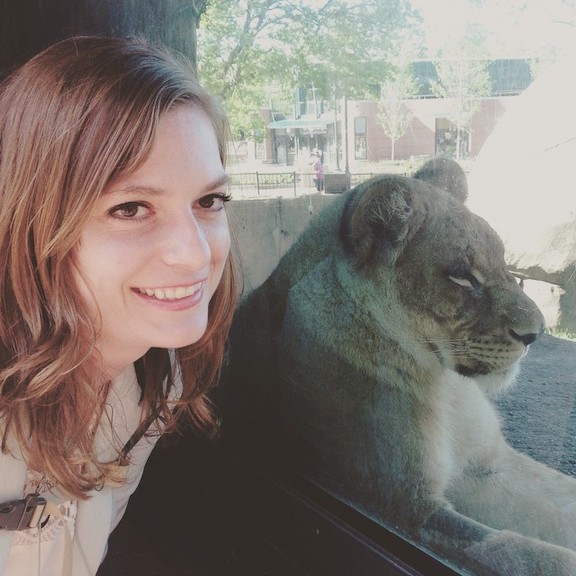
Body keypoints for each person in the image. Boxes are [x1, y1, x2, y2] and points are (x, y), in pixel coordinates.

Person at [0, 36, 237, 575]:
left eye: (209, 201)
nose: (195, 254)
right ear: (34, 222)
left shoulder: (153, 381)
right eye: (131, 208)